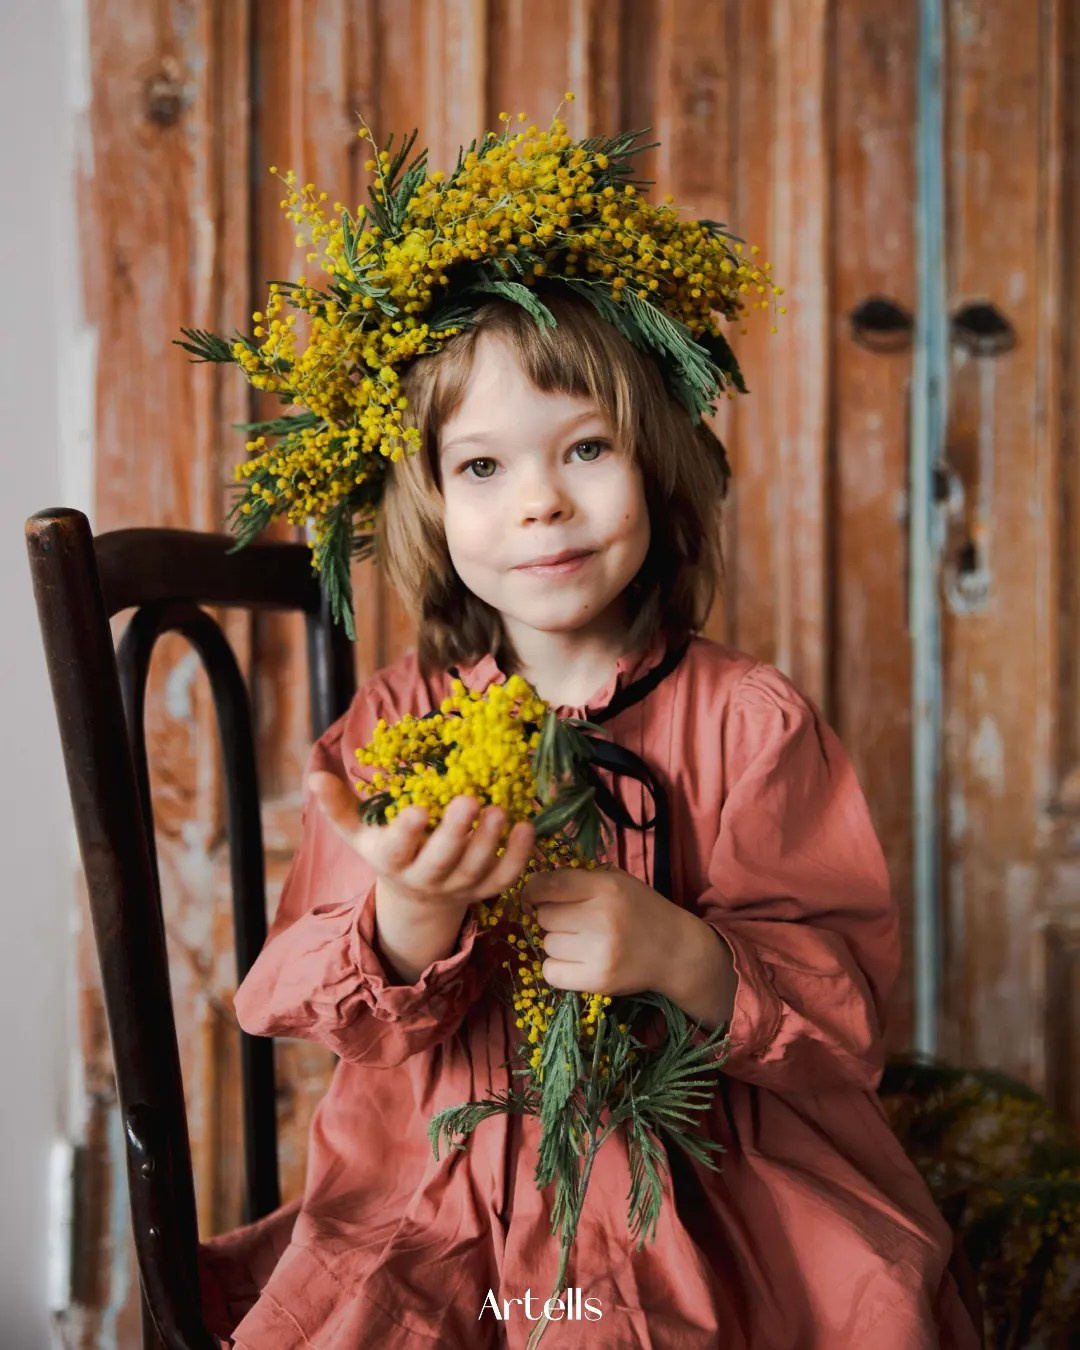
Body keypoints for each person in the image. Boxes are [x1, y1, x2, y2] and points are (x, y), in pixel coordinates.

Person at [193, 113, 980, 1348]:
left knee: (857, 1303)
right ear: (430, 500)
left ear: (658, 469)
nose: (544, 500)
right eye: (484, 468)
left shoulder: (748, 725)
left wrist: (682, 955)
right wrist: (408, 918)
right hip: (445, 1195)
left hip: (707, 1193)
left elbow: (846, 1013)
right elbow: (286, 992)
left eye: (587, 448)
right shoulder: (396, 729)